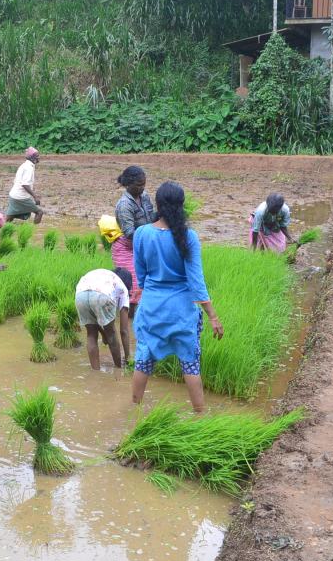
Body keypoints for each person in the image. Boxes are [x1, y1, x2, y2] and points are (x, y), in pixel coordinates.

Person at [131, 181, 223, 413]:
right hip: (181, 310)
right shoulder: (188, 236)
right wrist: (212, 316)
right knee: (190, 363)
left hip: (151, 306)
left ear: (158, 205)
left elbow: (140, 275)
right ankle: (200, 414)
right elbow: (196, 281)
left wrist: (148, 289)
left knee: (144, 359)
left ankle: (134, 412)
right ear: (182, 206)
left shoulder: (141, 233)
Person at [112, 166, 156, 310]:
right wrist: (151, 234)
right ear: (128, 184)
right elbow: (130, 233)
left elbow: (151, 216)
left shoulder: (144, 196)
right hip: (127, 247)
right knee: (131, 287)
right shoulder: (124, 205)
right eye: (139, 185)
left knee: (148, 283)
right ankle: (129, 320)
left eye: (144, 184)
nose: (142, 188)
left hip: (144, 245)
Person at [75, 267, 132, 369]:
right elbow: (124, 331)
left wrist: (103, 333)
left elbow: (96, 321)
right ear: (128, 283)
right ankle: (118, 369)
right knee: (112, 334)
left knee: (91, 334)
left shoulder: (105, 275)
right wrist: (128, 358)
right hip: (102, 296)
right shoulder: (123, 288)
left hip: (80, 294)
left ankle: (95, 373)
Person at [6, 147, 45, 223]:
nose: (39, 157)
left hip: (13, 195)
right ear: (32, 157)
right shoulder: (29, 168)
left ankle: (3, 231)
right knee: (39, 212)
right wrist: (35, 197)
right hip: (21, 197)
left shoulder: (25, 165)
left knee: (10, 217)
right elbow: (25, 184)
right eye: (37, 156)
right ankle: (33, 231)